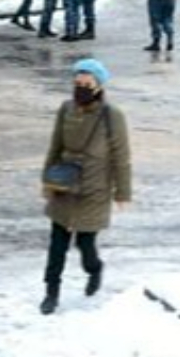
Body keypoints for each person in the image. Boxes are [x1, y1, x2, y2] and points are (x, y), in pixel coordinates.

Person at [39, 58, 131, 315]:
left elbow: (121, 157)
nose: (80, 88)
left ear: (99, 86)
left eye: (86, 84)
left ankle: (95, 269)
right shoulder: (66, 109)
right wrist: (47, 180)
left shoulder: (112, 116)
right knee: (57, 244)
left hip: (94, 189)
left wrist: (122, 193)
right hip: (64, 186)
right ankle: (51, 293)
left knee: (85, 244)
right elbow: (55, 146)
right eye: (77, 83)